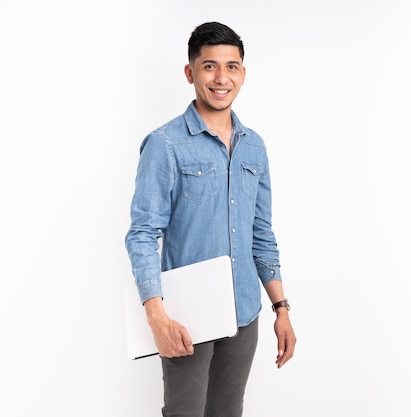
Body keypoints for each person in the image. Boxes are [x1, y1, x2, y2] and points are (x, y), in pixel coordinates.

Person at [124, 21, 296, 417]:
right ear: (190, 73)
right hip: (189, 318)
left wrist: (281, 309)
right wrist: (157, 317)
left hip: (244, 314)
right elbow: (142, 233)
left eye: (231, 66)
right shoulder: (165, 144)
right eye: (209, 66)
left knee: (228, 412)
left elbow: (261, 233)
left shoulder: (254, 146)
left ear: (243, 73)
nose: (222, 78)